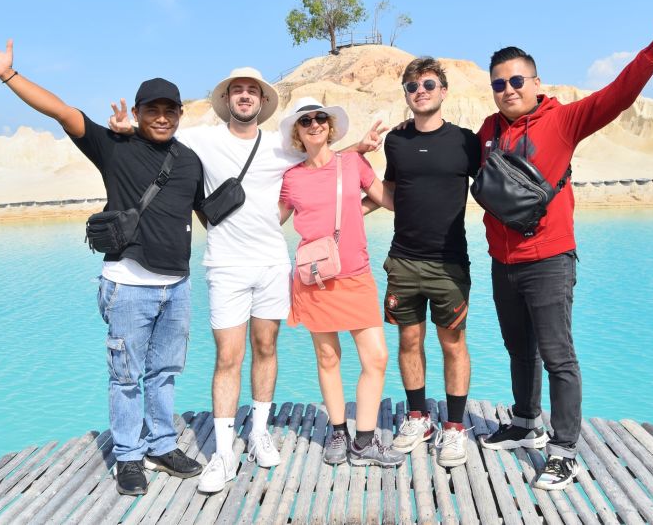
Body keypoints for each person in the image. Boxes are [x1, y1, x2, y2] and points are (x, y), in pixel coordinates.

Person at [108, 71, 386, 493]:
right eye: (237, 89)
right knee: (228, 356)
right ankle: (223, 453)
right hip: (225, 265)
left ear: (262, 100)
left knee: (266, 348)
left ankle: (258, 432)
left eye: (252, 90)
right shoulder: (202, 139)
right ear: (226, 98)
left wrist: (357, 149)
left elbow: (321, 157)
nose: (244, 95)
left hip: (272, 263)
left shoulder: (280, 145)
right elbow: (160, 132)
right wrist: (128, 129)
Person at [0, 35, 205, 497]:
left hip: (178, 286)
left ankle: (161, 445)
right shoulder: (114, 147)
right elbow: (61, 111)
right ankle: (128, 455)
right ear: (137, 112)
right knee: (126, 376)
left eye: (169, 110)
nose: (161, 117)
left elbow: (204, 213)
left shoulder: (189, 160)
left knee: (164, 372)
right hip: (128, 285)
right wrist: (8, 74)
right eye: (152, 110)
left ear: (180, 113)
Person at [478, 0, 653, 490]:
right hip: (502, 261)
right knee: (518, 349)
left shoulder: (564, 120)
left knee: (558, 356)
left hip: (549, 259)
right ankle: (525, 423)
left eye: (516, 80)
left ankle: (565, 450)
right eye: (499, 83)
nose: (508, 89)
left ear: (536, 82)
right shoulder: (486, 131)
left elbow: (619, 94)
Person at [277, 98, 404, 467]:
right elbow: (270, 222)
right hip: (314, 280)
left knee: (376, 357)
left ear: (329, 126)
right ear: (298, 133)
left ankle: (364, 441)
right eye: (305, 121)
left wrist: (423, 176)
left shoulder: (352, 163)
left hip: (356, 274)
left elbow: (386, 199)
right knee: (328, 357)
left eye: (320, 118)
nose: (314, 124)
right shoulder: (291, 178)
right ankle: (337, 431)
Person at [377, 57, 480, 467]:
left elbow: (495, 185)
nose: (420, 91)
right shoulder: (396, 141)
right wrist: (346, 209)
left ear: (443, 91)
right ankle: (418, 418)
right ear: (406, 94)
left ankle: (453, 427)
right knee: (408, 340)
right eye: (412, 86)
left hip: (449, 263)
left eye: (429, 84)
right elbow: (390, 192)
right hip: (403, 260)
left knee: (453, 343)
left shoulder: (465, 141)